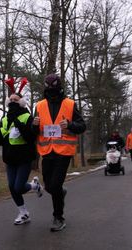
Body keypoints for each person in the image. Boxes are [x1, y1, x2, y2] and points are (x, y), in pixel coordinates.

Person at [32, 73, 86, 232]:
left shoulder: (70, 104)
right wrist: (34, 125)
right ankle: (60, 192)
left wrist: (69, 124)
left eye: (54, 88)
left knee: (55, 184)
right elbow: (34, 131)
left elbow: (82, 126)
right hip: (47, 151)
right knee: (49, 186)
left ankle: (58, 217)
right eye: (49, 88)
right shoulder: (39, 106)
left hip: (64, 152)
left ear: (59, 87)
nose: (51, 91)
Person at [0, 77, 43, 226]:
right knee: (11, 187)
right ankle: (24, 213)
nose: (13, 102)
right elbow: (0, 140)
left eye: (16, 100)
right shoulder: (5, 118)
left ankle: (34, 186)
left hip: (24, 158)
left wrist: (19, 124)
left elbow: (30, 137)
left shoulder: (28, 117)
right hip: (10, 158)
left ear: (21, 102)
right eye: (11, 100)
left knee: (19, 187)